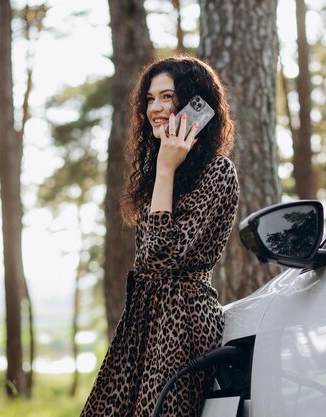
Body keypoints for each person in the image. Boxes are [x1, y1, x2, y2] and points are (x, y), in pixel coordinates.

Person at [81, 56, 239, 417]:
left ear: (193, 102)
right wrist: (165, 171)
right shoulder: (161, 174)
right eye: (150, 99)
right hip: (145, 316)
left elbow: (159, 256)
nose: (155, 108)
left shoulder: (217, 171)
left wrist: (165, 170)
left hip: (182, 321)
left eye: (167, 97)